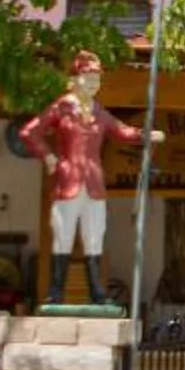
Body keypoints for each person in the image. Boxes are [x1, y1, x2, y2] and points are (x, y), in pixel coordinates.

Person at [18, 50, 166, 305]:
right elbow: (29, 132)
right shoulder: (61, 108)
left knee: (94, 237)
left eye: (97, 79)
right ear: (74, 80)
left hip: (94, 183)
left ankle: (98, 293)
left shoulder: (100, 111)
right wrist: (49, 157)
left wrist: (147, 135)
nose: (94, 84)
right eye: (88, 78)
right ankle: (55, 292)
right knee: (63, 236)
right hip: (68, 182)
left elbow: (121, 132)